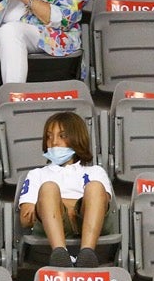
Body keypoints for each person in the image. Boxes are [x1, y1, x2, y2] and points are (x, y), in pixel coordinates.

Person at [18, 111, 110, 268]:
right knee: (49, 188)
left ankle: (87, 254)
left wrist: (52, 204)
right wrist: (66, 206)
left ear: (77, 138)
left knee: (94, 187)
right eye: (49, 136)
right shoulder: (37, 174)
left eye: (62, 136)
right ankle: (60, 255)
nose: (53, 142)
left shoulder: (96, 172)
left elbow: (102, 205)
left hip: (88, 224)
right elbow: (26, 219)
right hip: (50, 226)